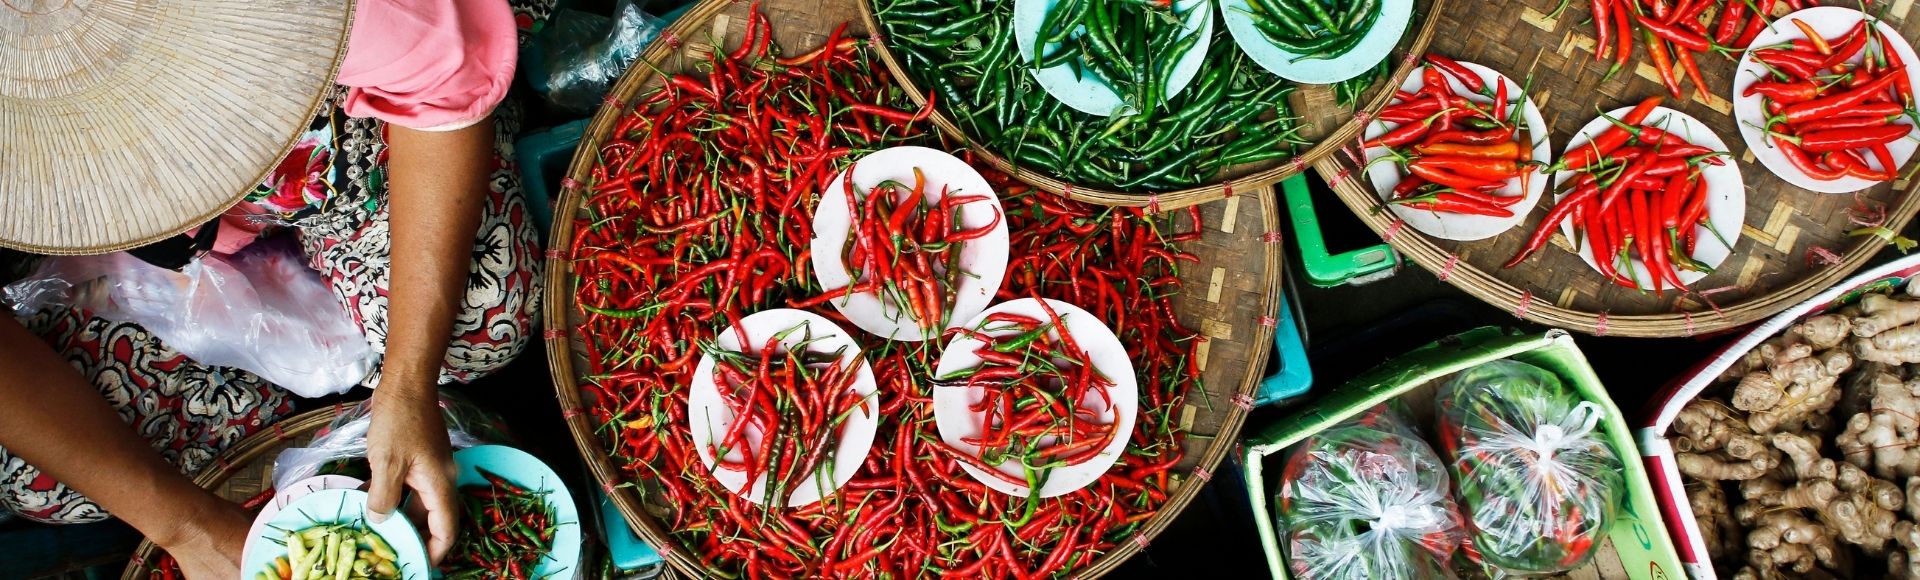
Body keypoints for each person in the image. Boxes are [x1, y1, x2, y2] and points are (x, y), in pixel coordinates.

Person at [0, 0, 553, 577]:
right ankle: (322, 418)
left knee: (478, 321)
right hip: (183, 250)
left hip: (351, 151)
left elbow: (437, 89)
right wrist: (185, 525)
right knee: (41, 482)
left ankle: (364, 403)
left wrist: (408, 381)